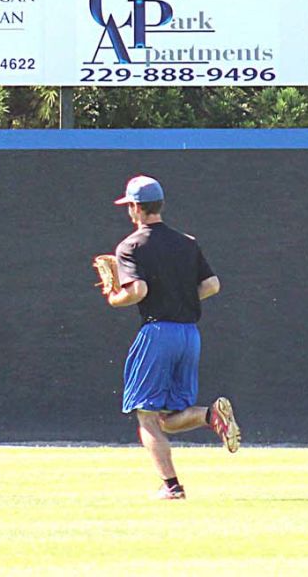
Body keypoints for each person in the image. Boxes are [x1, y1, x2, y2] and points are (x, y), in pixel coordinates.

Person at [99, 175, 239, 500]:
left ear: (135, 207)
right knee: (168, 418)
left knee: (146, 415)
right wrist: (181, 298)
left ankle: (171, 487)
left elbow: (139, 291)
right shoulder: (187, 242)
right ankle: (210, 415)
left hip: (158, 332)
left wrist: (113, 296)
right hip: (189, 334)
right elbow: (212, 285)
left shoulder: (131, 246)